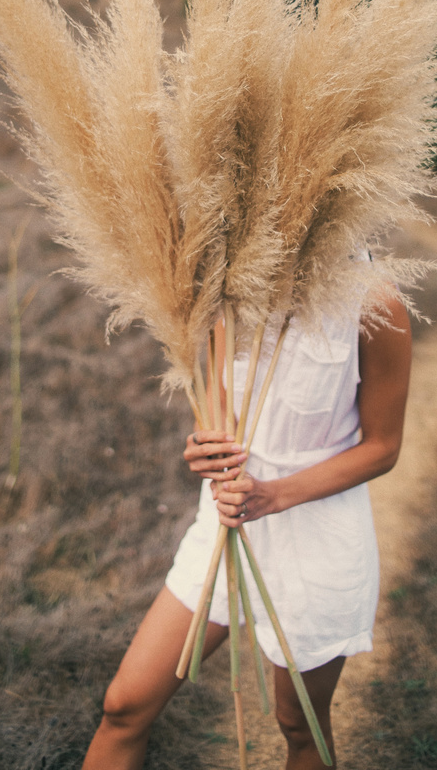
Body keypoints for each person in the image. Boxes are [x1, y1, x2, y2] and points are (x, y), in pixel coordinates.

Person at [82, 289, 412, 770]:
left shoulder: (376, 303)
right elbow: (219, 395)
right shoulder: (237, 281)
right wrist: (206, 443)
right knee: (125, 705)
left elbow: (383, 446)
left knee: (300, 726)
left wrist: (274, 495)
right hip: (226, 516)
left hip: (315, 531)